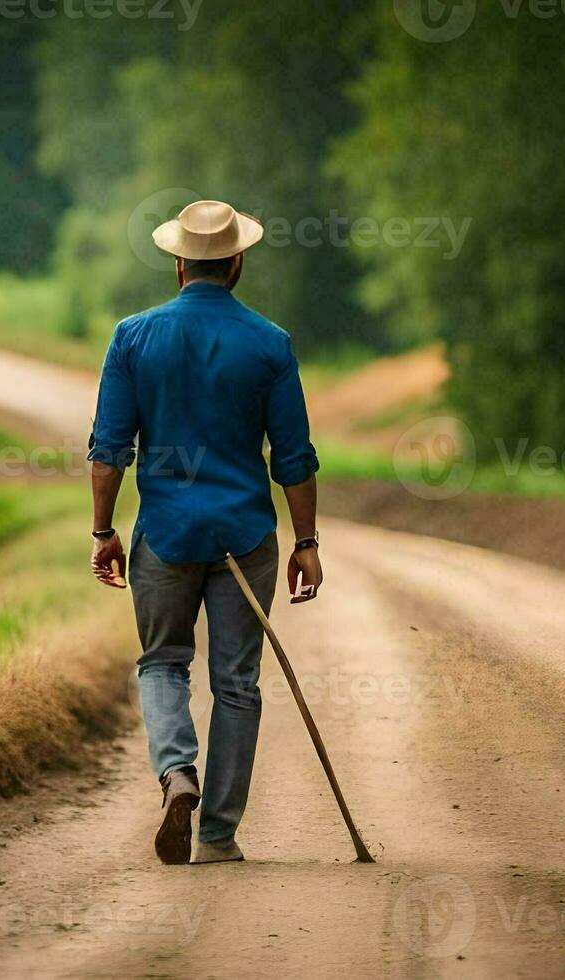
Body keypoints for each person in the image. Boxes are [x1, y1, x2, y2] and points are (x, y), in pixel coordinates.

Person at [87, 200, 322, 865]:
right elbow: (294, 457)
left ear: (180, 262)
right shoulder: (270, 343)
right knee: (237, 685)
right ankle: (218, 835)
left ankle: (177, 773)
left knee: (163, 662)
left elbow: (109, 449)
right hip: (245, 535)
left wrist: (104, 529)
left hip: (164, 534)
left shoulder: (133, 337)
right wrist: (306, 542)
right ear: (238, 261)